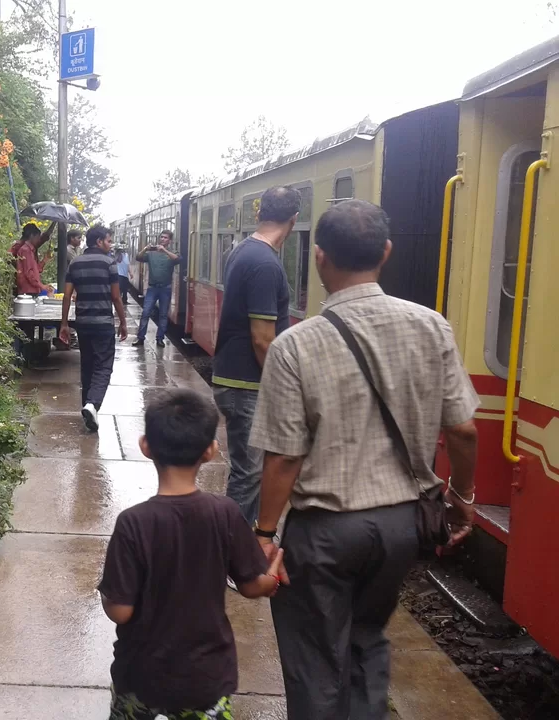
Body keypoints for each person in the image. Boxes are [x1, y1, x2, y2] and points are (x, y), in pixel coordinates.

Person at [250, 200, 479, 720]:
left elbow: (285, 458)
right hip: (401, 528)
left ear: (320, 258)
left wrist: (263, 535)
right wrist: (463, 501)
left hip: (324, 533)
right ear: (387, 252)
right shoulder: (432, 327)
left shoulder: (294, 345)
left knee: (315, 656)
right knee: (367, 638)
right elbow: (463, 430)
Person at [98, 389, 287, 720]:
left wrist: (106, 595)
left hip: (141, 674)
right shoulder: (225, 513)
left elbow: (121, 612)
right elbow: (250, 586)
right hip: (206, 676)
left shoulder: (133, 523)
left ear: (145, 446)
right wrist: (270, 579)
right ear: (211, 451)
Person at [212, 185, 300, 527]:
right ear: (293, 221)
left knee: (247, 472)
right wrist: (282, 387)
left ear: (260, 213)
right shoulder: (265, 264)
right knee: (248, 475)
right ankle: (228, 554)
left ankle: (234, 547)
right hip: (246, 383)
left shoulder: (242, 251)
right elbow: (263, 338)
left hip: (235, 379)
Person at [59, 225, 127, 432]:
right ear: (99, 242)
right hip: (103, 323)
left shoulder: (76, 263)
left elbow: (67, 295)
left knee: (87, 365)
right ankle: (92, 404)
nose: (111, 244)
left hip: (83, 323)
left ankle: (87, 410)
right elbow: (116, 297)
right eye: (108, 241)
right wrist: (122, 322)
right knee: (104, 366)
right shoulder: (109, 263)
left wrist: (63, 324)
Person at [132, 230, 180, 348]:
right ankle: (140, 338)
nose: (162, 239)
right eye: (161, 237)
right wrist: (145, 249)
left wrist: (164, 251)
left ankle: (160, 339)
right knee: (146, 312)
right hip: (152, 288)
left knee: (163, 314)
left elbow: (178, 259)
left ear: (170, 241)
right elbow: (138, 257)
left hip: (166, 288)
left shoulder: (171, 253)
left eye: (165, 238)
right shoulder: (151, 254)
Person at [15, 223, 55, 296]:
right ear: (31, 236)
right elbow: (29, 273)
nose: (38, 240)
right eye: (37, 237)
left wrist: (44, 260)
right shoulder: (25, 250)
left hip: (33, 289)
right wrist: (42, 286)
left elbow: (36, 269)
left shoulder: (31, 250)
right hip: (28, 290)